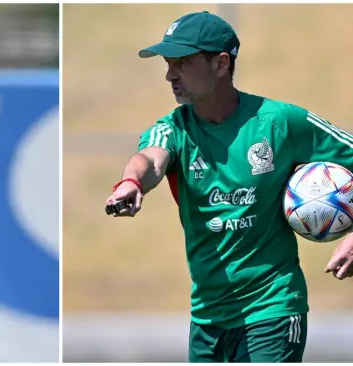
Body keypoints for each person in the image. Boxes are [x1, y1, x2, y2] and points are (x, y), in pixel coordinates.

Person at [106, 10, 353, 363]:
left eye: (182, 62)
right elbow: (150, 159)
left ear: (221, 64)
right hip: (207, 317)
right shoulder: (174, 128)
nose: (169, 75)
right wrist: (131, 182)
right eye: (167, 63)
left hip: (273, 308)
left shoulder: (280, 122)